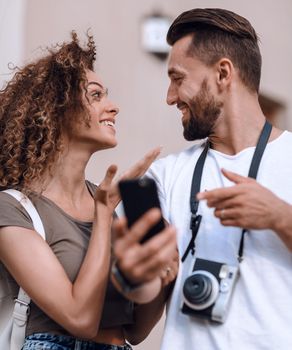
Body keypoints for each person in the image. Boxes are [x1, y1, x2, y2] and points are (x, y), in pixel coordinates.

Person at [113, 8, 292, 350]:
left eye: (177, 78)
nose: (169, 96)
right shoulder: (164, 177)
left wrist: (280, 217)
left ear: (223, 73)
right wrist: (135, 277)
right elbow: (136, 330)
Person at [0, 32, 177, 350]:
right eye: (96, 96)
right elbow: (80, 319)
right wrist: (104, 212)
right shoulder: (12, 208)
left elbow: (135, 330)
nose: (113, 107)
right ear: (55, 110)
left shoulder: (107, 201)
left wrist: (162, 272)